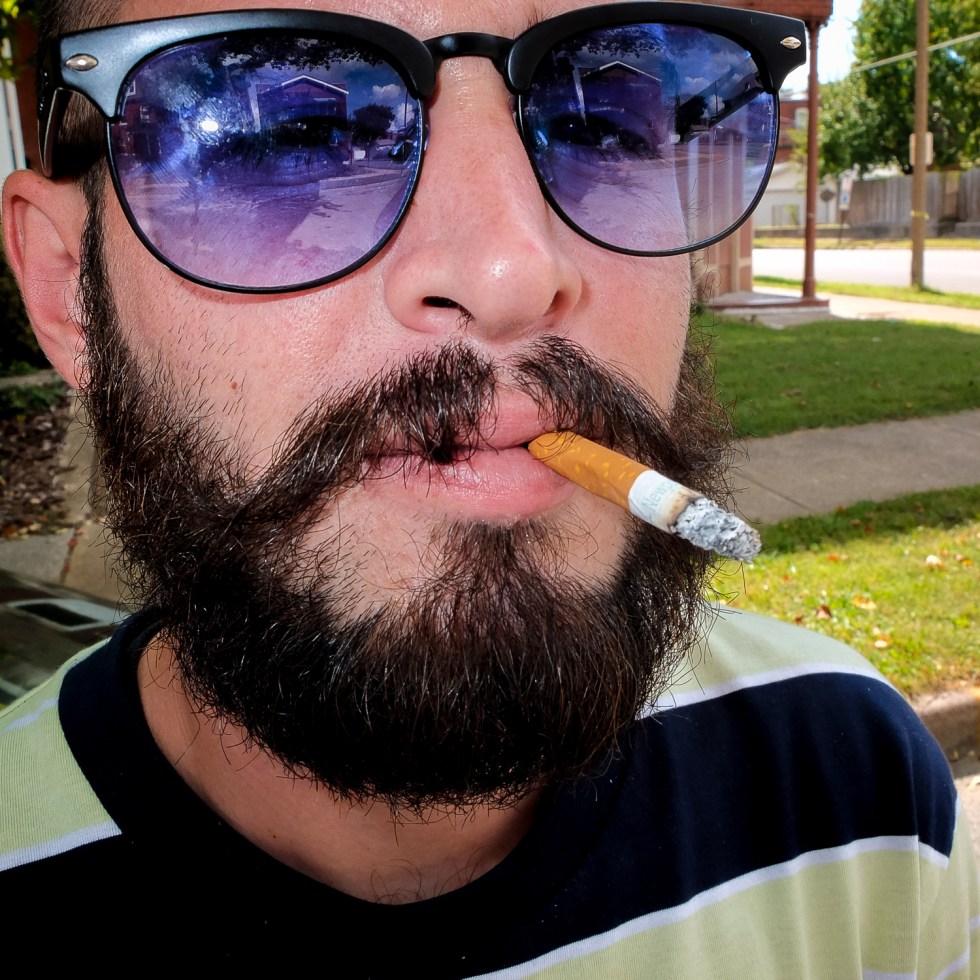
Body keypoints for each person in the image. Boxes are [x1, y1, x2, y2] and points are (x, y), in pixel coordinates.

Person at [1, 0, 976, 972]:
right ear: (67, 289)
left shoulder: (859, 789)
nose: (513, 269)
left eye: (601, 126)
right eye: (291, 137)